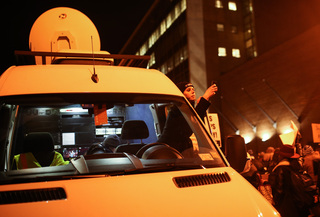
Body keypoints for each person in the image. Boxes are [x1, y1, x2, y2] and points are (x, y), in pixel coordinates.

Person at [157, 81, 218, 153]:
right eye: (188, 90)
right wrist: (204, 99)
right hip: (166, 152)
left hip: (178, 153)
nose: (193, 92)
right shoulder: (176, 111)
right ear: (181, 95)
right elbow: (192, 124)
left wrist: (201, 105)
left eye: (193, 90)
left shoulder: (188, 110)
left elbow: (199, 128)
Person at [269, 144, 310, 217]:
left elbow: (279, 189)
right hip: (299, 203)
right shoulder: (296, 167)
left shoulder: (280, 168)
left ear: (282, 156)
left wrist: (276, 203)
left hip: (287, 205)